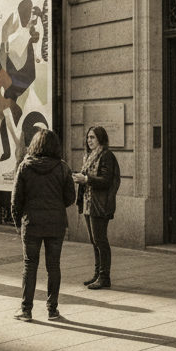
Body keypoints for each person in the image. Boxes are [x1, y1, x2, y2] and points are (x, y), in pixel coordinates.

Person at [10, 129, 75, 321]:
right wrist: (56, 204)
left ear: (35, 145)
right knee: (53, 266)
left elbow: (16, 200)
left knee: (30, 265)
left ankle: (26, 309)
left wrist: (18, 223)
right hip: (56, 224)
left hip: (31, 223)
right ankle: (52, 309)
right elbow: (70, 197)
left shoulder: (25, 166)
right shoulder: (63, 168)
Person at [74, 126, 121, 290]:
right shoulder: (88, 155)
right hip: (88, 203)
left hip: (100, 204)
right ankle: (97, 274)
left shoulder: (106, 155)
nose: (89, 140)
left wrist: (86, 179)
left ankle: (104, 276)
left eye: (93, 137)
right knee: (94, 241)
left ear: (101, 138)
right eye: (88, 138)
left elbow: (106, 180)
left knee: (100, 240)